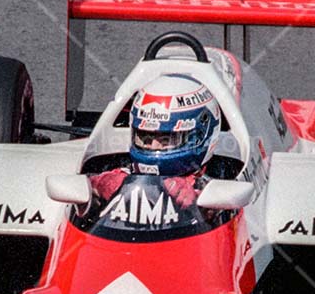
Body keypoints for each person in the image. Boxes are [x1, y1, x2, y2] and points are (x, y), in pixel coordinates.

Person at [90, 74, 222, 209]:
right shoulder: (121, 175)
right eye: (145, 138)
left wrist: (200, 200)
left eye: (166, 139)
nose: (153, 147)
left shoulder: (221, 177)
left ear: (199, 137)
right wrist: (101, 184)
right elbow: (89, 184)